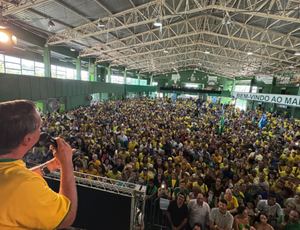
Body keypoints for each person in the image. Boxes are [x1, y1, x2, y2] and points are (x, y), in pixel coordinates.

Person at [0, 100, 77, 229]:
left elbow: (10, 180)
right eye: (39, 128)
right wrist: (67, 163)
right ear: (28, 139)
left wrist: (48, 167)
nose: (41, 131)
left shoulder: (15, 178)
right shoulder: (24, 185)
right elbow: (67, 216)